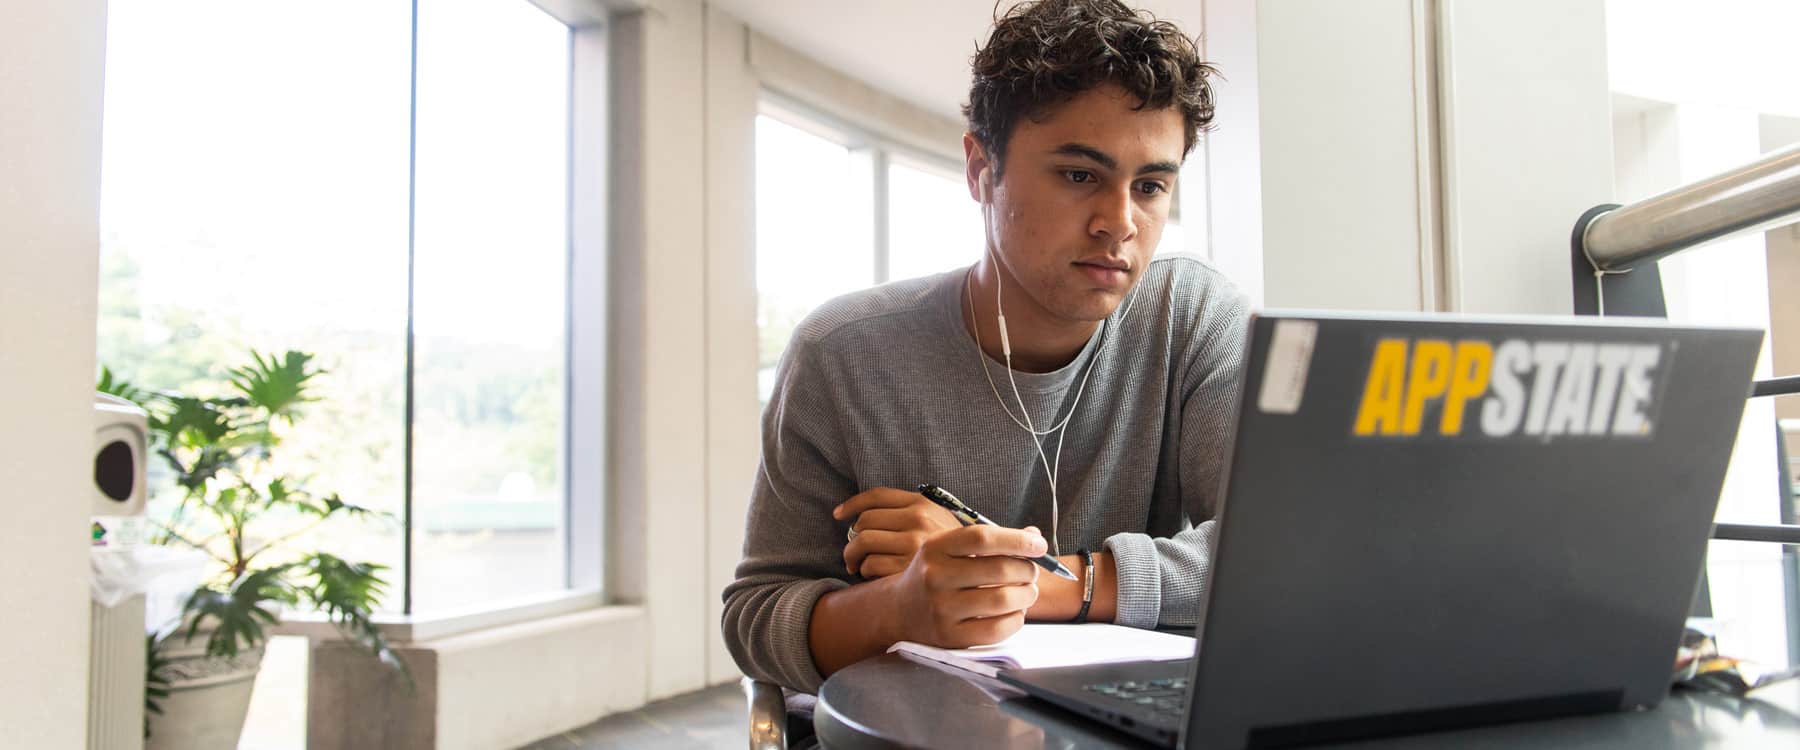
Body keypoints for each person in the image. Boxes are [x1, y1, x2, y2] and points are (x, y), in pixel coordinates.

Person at [723, 0, 1248, 694]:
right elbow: (758, 619)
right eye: (1079, 175)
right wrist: (901, 605)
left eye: (1150, 186)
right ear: (980, 169)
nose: (1119, 223)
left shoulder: (1192, 318)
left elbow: (1269, 558)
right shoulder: (843, 353)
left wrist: (1032, 583)